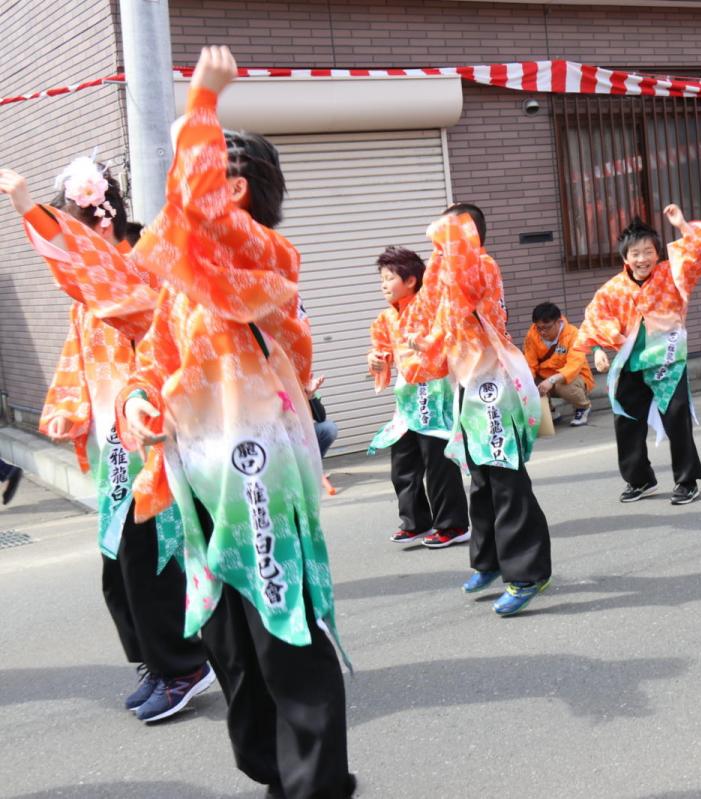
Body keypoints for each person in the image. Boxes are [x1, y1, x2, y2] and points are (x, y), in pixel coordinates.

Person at [118, 47, 353, 797]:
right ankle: (274, 770)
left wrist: (203, 102)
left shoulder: (268, 261)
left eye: (215, 171)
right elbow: (147, 366)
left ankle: (316, 782)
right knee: (227, 642)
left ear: (239, 187)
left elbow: (199, 213)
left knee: (283, 628)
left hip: (261, 474)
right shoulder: (181, 292)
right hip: (197, 482)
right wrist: (136, 404)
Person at [0, 157, 211, 722]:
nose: (67, 244)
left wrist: (27, 208)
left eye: (72, 225)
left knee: (149, 557)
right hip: (110, 443)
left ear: (98, 221)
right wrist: (68, 406)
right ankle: (157, 660)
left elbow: (101, 288)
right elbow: (80, 353)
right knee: (117, 564)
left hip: (147, 436)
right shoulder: (94, 289)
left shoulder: (138, 271)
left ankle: (186, 664)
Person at [408, 203, 552, 616]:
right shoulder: (452, 274)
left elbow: (453, 309)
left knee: (506, 480)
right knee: (481, 480)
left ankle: (527, 572)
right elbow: (440, 328)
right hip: (469, 385)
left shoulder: (479, 267)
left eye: (449, 236)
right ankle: (489, 560)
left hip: (493, 386)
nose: (439, 247)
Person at [577, 207, 701, 505]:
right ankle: (639, 479)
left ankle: (687, 480)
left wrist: (682, 224)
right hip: (631, 363)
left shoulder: (671, 274)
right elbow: (596, 318)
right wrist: (599, 349)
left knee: (677, 416)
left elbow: (699, 253)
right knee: (626, 420)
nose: (643, 259)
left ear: (657, 253)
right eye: (636, 253)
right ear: (625, 258)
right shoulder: (612, 289)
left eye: (648, 251)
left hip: (667, 360)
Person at [366, 245, 469, 549]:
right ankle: (416, 521)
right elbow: (381, 349)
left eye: (388, 278)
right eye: (381, 279)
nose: (383, 285)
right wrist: (376, 359)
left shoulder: (429, 306)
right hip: (408, 399)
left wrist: (427, 343)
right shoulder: (385, 318)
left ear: (410, 281)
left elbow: (447, 335)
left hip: (435, 393)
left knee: (438, 463)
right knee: (403, 464)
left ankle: (453, 526)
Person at [524, 302, 594, 427]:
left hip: (575, 378)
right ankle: (550, 410)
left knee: (563, 385)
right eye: (539, 328)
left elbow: (574, 366)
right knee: (529, 382)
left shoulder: (573, 334)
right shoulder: (532, 335)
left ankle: (583, 407)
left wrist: (552, 380)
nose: (542, 332)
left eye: (547, 327)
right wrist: (528, 383)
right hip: (546, 379)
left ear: (558, 321)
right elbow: (530, 364)